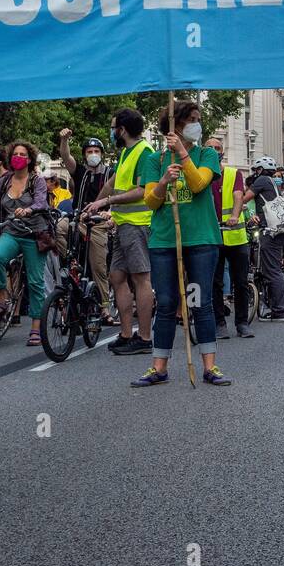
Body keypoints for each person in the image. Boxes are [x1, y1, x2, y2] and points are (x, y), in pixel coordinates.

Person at [131, 100, 230, 387]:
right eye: (192, 119)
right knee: (166, 303)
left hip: (200, 240)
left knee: (200, 303)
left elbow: (199, 184)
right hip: (164, 241)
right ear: (175, 126)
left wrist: (184, 155)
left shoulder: (207, 154)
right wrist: (163, 180)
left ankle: (210, 367)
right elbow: (151, 200)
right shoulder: (155, 160)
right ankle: (158, 367)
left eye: (199, 118)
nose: (197, 124)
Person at [85, 109, 155, 355]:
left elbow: (142, 191)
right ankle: (126, 334)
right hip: (123, 224)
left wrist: (107, 202)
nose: (112, 131)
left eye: (114, 127)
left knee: (141, 279)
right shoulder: (127, 152)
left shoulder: (145, 153)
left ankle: (145, 338)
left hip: (138, 224)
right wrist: (92, 204)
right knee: (116, 277)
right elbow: (111, 183)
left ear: (122, 130)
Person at [0, 141, 49, 346]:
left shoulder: (37, 181)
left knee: (35, 282)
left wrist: (28, 210)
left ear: (29, 159)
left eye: (22, 154)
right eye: (15, 154)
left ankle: (36, 327)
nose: (18, 157)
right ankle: (1, 300)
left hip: (33, 234)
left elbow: (41, 202)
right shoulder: (4, 182)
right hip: (10, 232)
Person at [59, 129, 112, 318]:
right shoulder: (79, 171)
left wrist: (108, 214)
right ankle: (72, 261)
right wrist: (64, 140)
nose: (93, 155)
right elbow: (66, 157)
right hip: (78, 220)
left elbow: (118, 197)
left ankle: (105, 307)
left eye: (96, 151)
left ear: (102, 155)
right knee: (60, 227)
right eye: (89, 152)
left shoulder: (110, 174)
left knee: (98, 266)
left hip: (99, 224)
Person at [205, 135, 253, 340]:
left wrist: (235, 215)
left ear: (223, 151)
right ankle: (219, 323)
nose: (215, 151)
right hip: (212, 235)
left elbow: (237, 196)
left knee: (241, 282)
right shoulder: (201, 175)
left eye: (218, 147)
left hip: (236, 236)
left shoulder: (234, 174)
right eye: (211, 148)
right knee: (214, 283)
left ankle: (242, 323)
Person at [246, 156, 284, 321]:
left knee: (271, 271)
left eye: (256, 170)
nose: (255, 173)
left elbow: (245, 197)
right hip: (278, 229)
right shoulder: (272, 182)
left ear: (260, 169)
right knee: (275, 270)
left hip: (270, 230)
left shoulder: (262, 180)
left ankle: (279, 310)